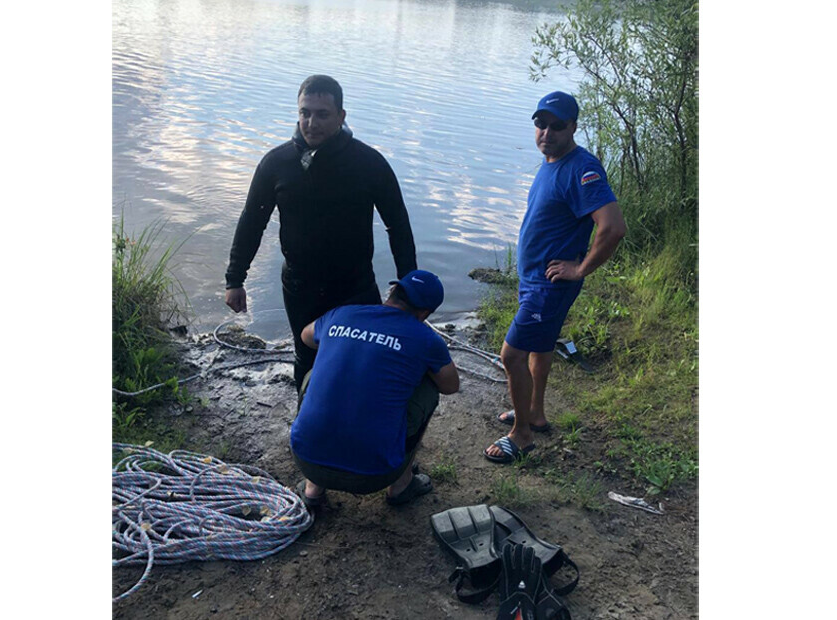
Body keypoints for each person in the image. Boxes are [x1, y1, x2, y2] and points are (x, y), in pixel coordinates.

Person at [224, 75, 418, 390]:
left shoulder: (369, 163)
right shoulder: (277, 163)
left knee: (359, 358)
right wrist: (235, 279)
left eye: (322, 114)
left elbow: (397, 224)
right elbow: (251, 222)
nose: (311, 123)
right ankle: (307, 429)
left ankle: (354, 428)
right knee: (307, 359)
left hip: (355, 285)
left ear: (342, 117)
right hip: (301, 286)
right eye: (305, 112)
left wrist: (410, 286)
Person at [484, 91, 627, 464]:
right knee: (540, 347)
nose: (546, 132)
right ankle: (535, 412)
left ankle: (522, 436)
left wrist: (580, 268)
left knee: (511, 356)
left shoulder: (583, 168)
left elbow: (612, 228)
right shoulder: (551, 163)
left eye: (557, 125)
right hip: (535, 279)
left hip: (550, 285)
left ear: (573, 127)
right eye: (540, 124)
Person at [290, 270, 460, 507]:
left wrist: (351, 346)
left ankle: (313, 490)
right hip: (375, 475)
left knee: (314, 375)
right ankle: (401, 485)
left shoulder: (344, 314)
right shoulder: (426, 338)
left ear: (391, 292)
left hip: (305, 458)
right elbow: (451, 386)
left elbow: (306, 336)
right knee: (429, 387)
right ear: (425, 313)